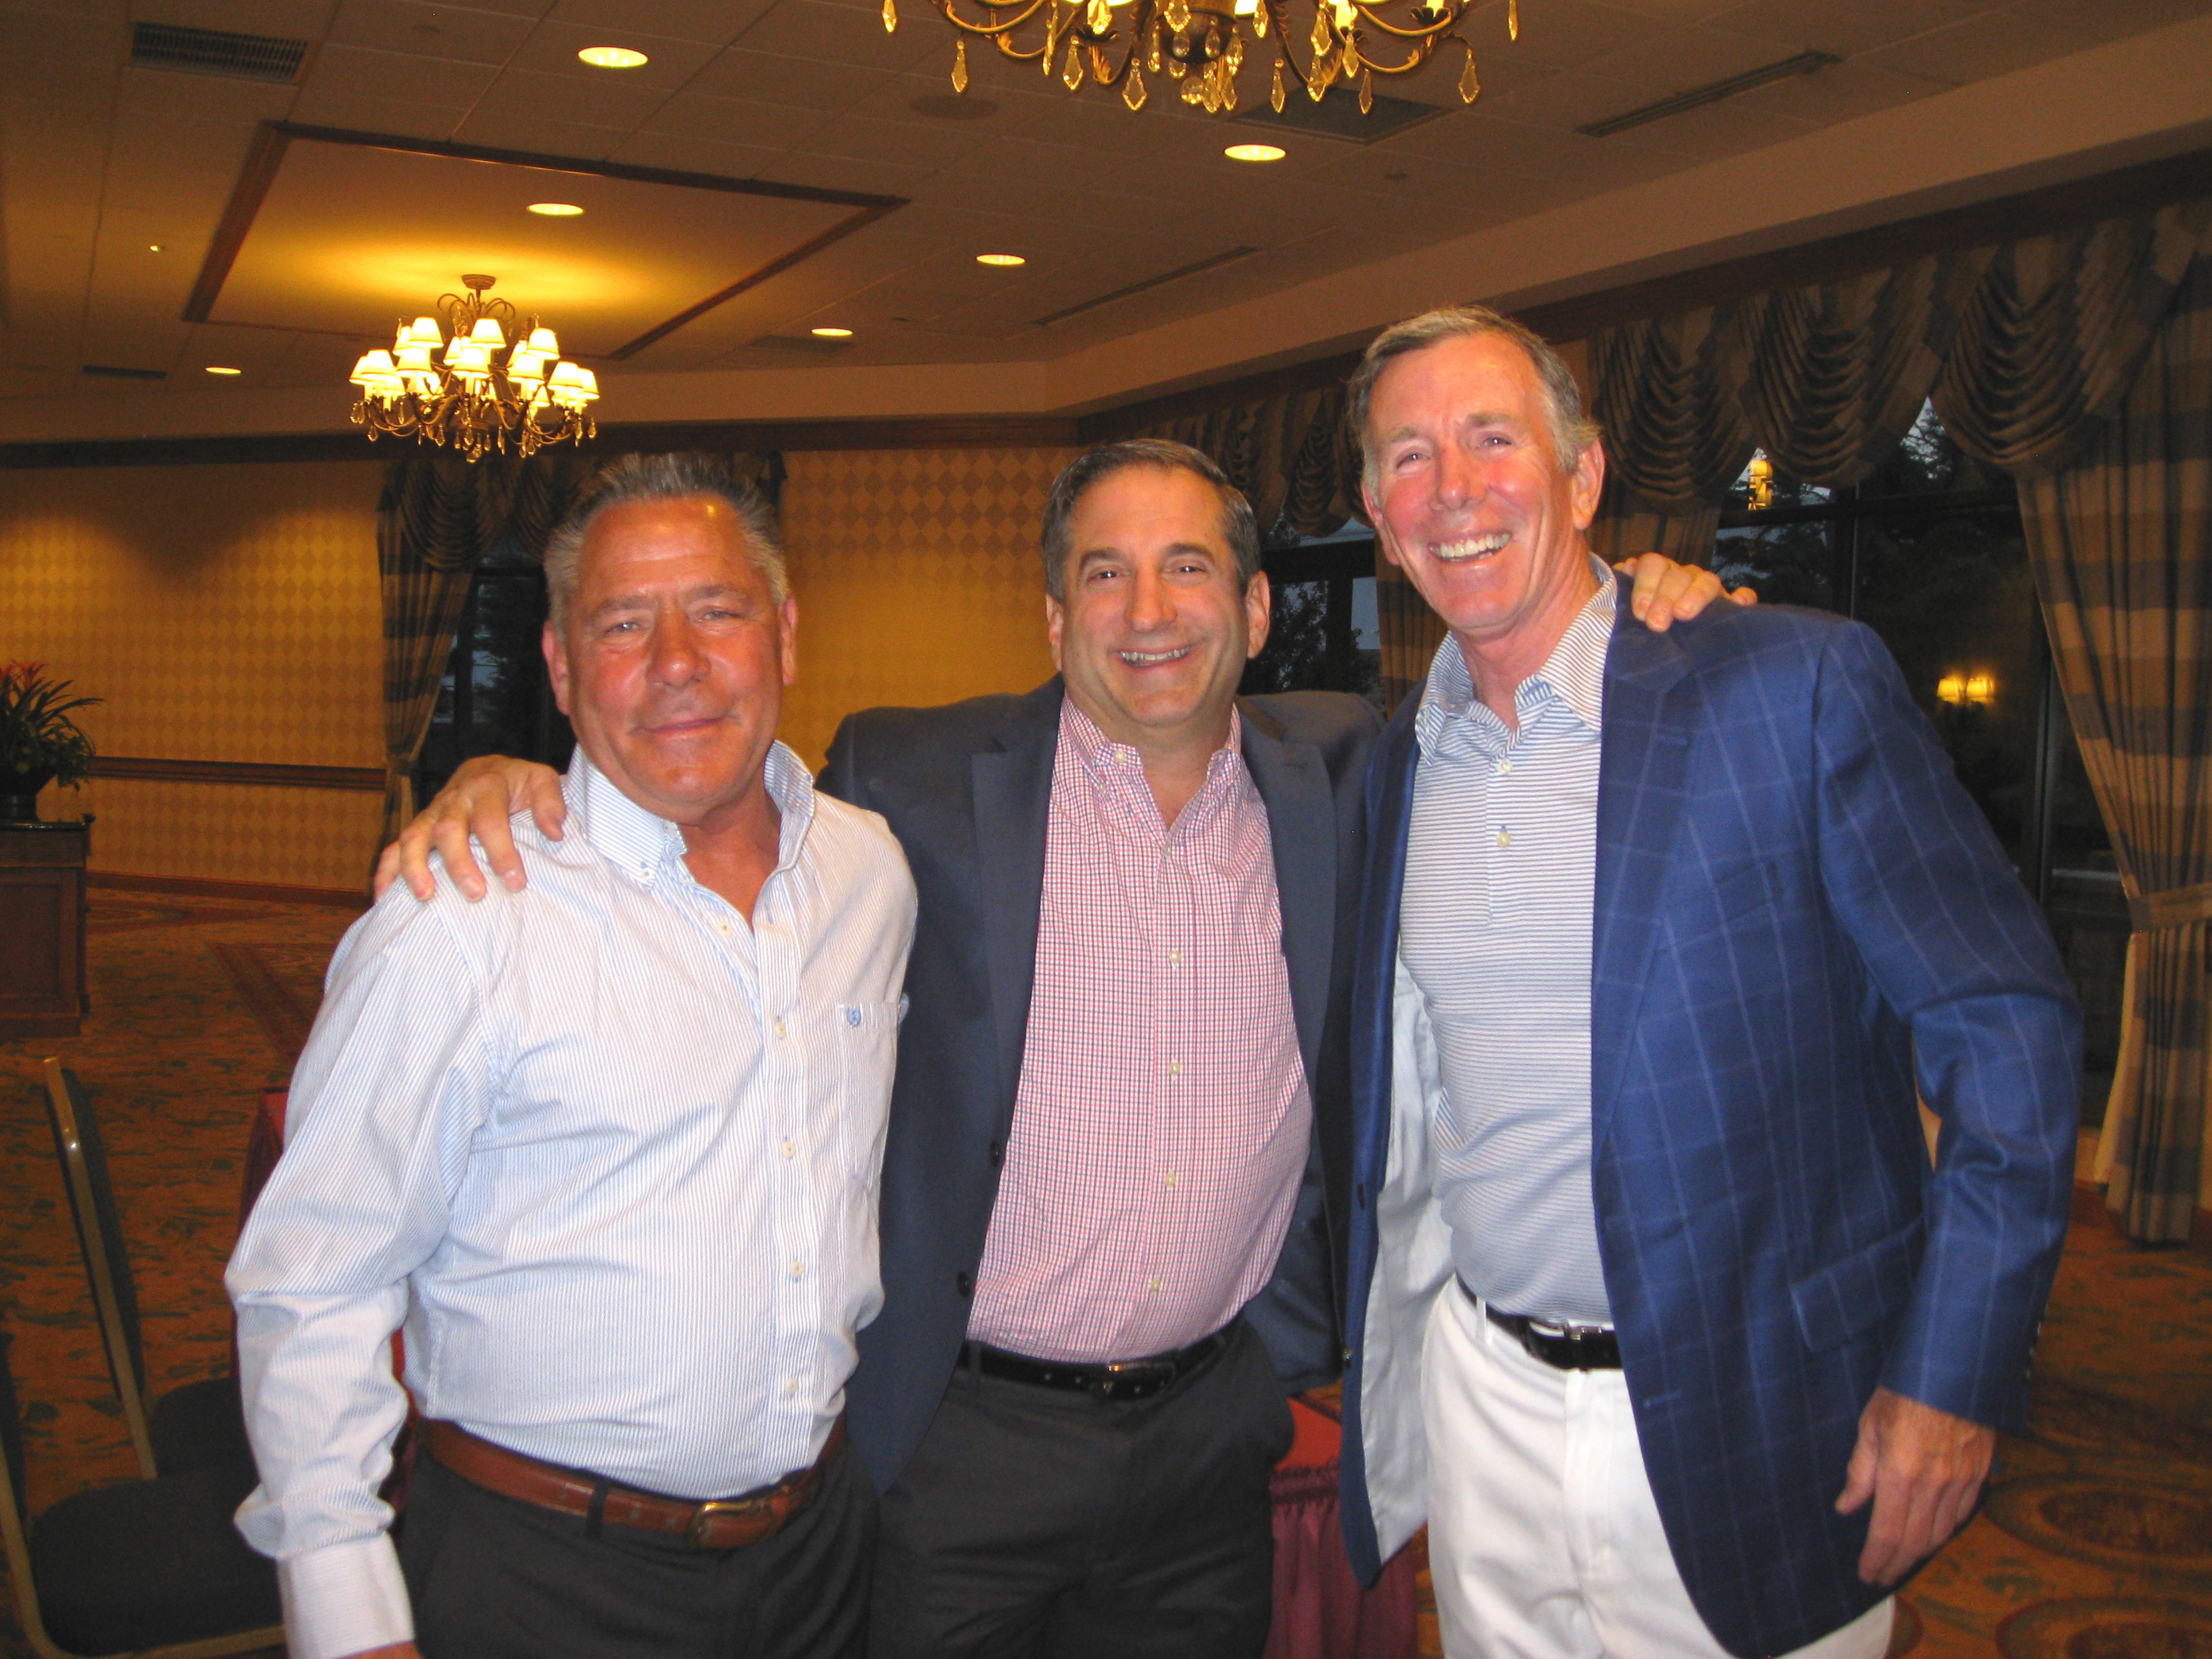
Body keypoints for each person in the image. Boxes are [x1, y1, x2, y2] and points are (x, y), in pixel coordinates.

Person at [384, 439, 1742, 1658]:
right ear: (1052, 616)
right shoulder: (908, 780)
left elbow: (1525, 700)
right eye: (1105, 574)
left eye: (1187, 568)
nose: (1147, 614)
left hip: (1209, 1438)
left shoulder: (1344, 769)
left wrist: (1637, 608)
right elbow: (705, 796)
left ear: (1256, 610)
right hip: (962, 1442)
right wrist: (517, 780)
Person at [1336, 306, 2081, 1659]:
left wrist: (1954, 1375)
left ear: (1583, 476)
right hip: (1485, 1404)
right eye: (1409, 459)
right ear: (1381, 521)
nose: (1452, 490)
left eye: (1492, 440)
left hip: (1765, 1409)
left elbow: (2006, 1029)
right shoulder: (1397, 769)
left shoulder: (1786, 687)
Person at [228, 454, 918, 1659]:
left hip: (817, 1551)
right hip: (541, 1573)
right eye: (622, 624)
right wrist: (346, 1610)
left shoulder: (869, 874)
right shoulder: (465, 913)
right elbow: (314, 1274)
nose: (676, 662)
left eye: (717, 610)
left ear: (786, 634)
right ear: (559, 665)